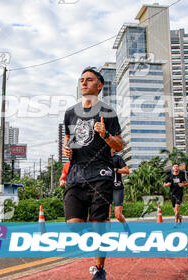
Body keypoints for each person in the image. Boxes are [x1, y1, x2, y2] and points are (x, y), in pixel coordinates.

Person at [62, 67, 123, 280]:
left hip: (101, 173)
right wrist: (65, 148)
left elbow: (120, 145)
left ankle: (99, 269)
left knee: (98, 224)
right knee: (73, 228)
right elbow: (67, 137)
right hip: (76, 174)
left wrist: (105, 134)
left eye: (89, 80)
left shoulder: (108, 112)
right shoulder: (70, 112)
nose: (84, 83)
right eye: (81, 80)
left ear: (99, 86)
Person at [109, 150, 129, 224]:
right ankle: (106, 234)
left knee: (118, 215)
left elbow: (127, 171)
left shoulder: (118, 158)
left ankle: (125, 226)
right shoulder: (103, 159)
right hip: (106, 189)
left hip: (117, 188)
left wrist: (116, 169)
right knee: (107, 215)